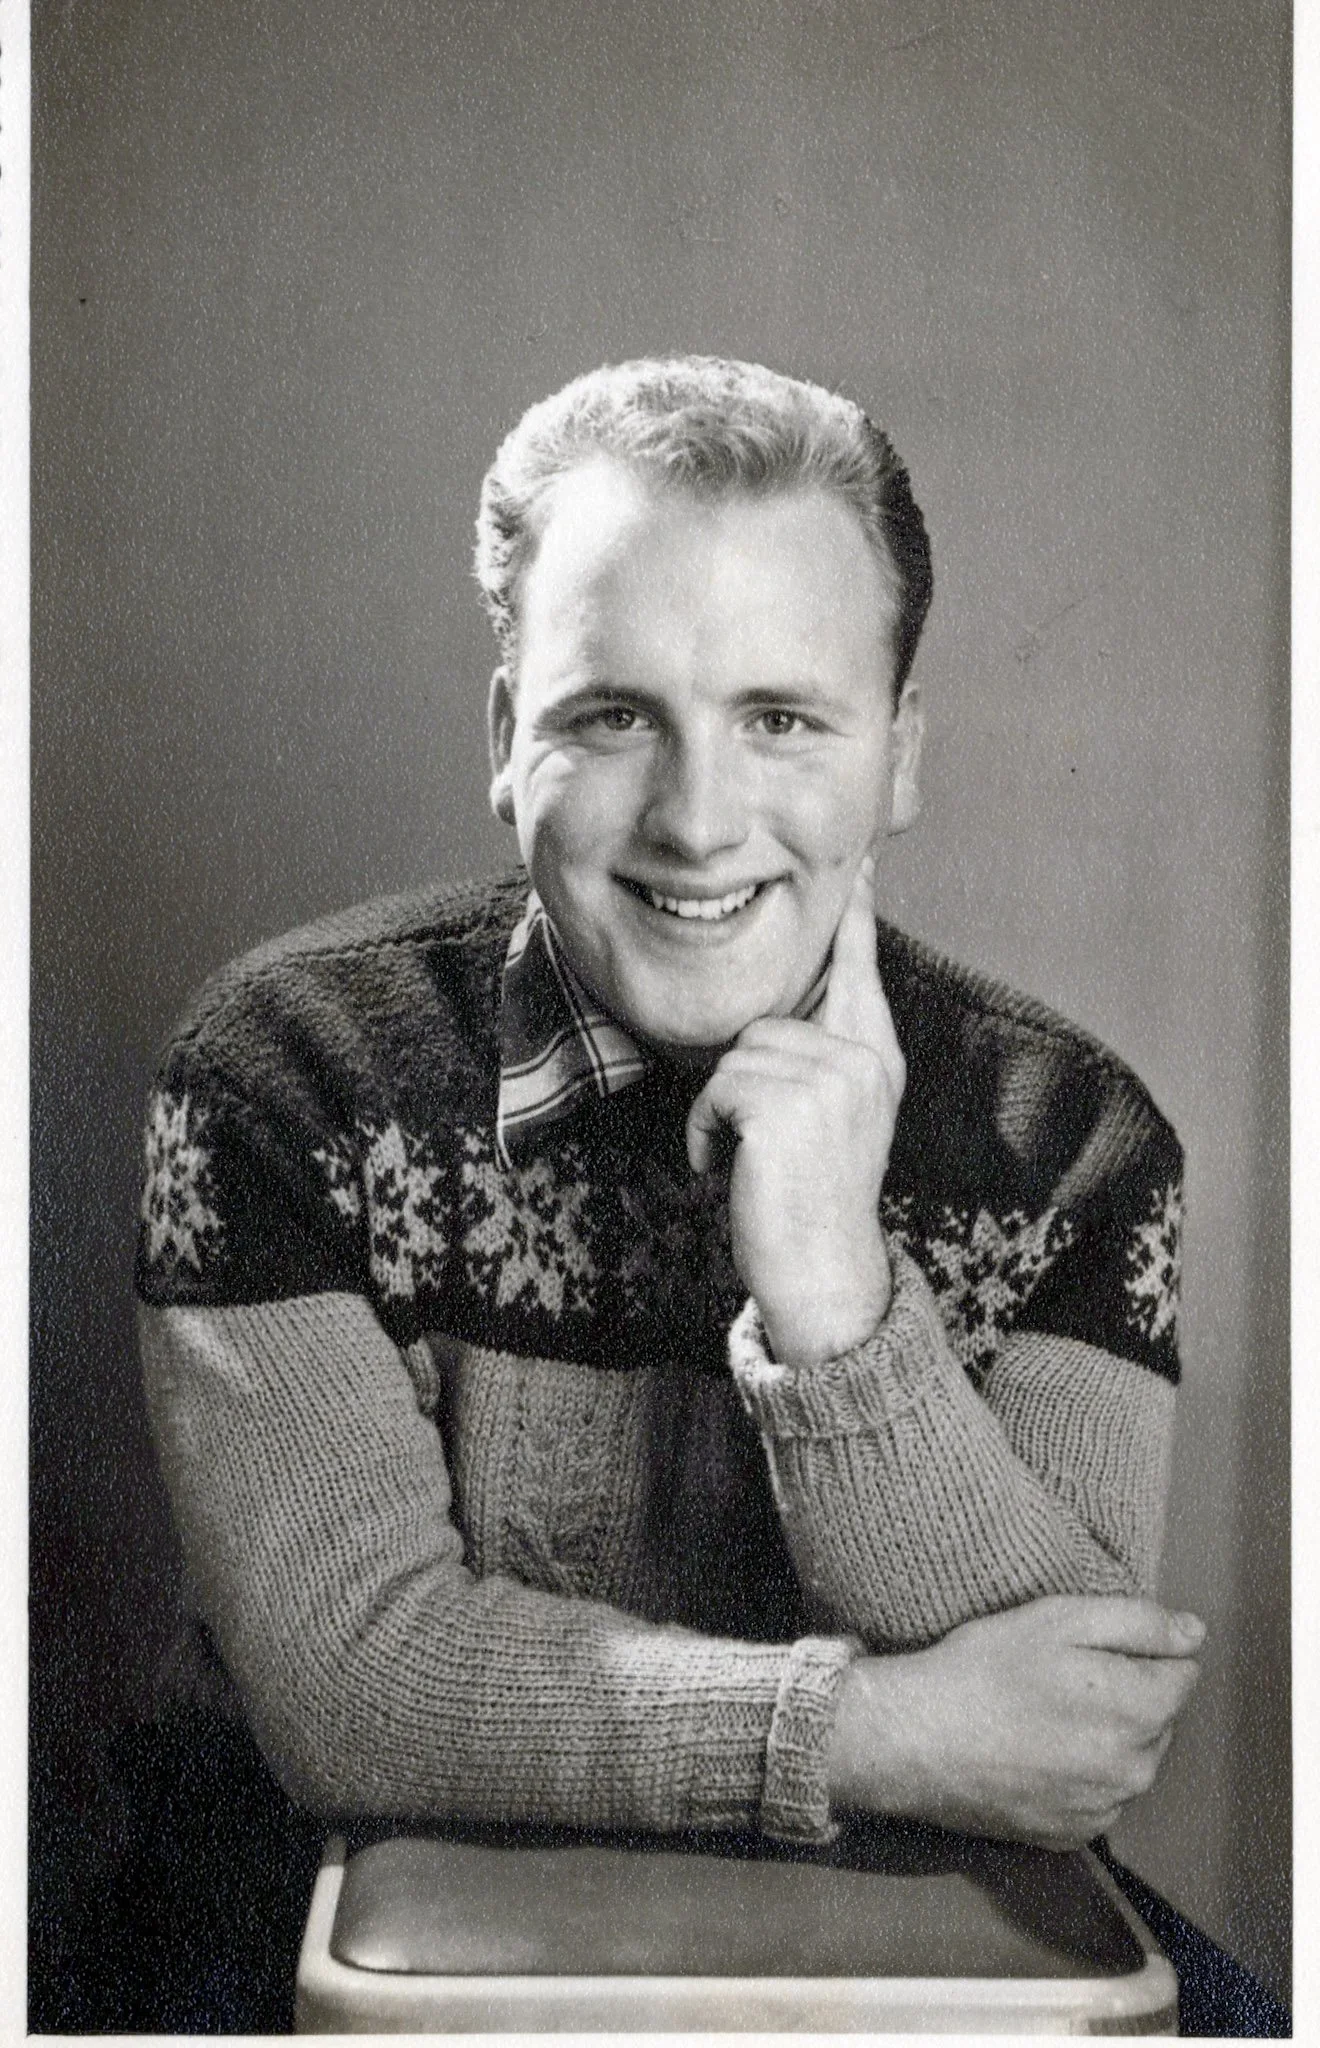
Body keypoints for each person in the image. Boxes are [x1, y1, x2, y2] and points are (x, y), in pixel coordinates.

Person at [125, 357, 1283, 2032]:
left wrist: (833, 1299)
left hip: (894, 1959)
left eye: (784, 719)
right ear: (503, 741)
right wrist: (871, 1732)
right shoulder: (278, 1079)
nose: (696, 819)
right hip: (322, 1924)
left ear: (897, 756)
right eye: (613, 715)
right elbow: (349, 1684)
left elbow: (1066, 1735)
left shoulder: (1079, 1145)